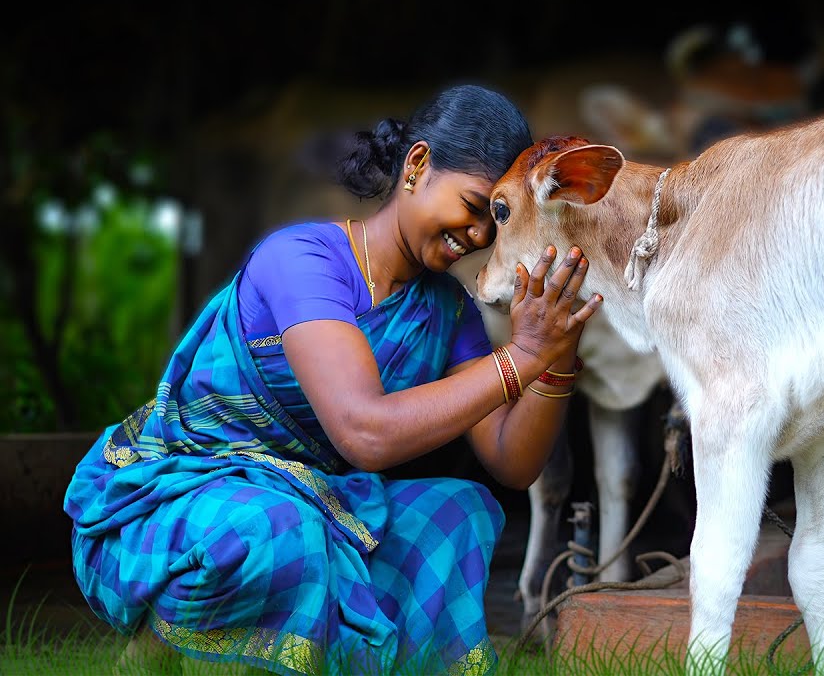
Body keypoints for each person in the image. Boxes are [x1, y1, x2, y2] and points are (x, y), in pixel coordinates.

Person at [62, 84, 602, 676]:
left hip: (324, 506)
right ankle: (158, 651)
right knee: (275, 529)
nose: (476, 237)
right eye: (474, 208)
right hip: (187, 493)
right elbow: (364, 432)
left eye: (491, 227)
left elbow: (512, 461)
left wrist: (557, 350)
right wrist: (521, 356)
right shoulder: (303, 259)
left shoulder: (445, 311)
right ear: (417, 166)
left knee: (457, 513)